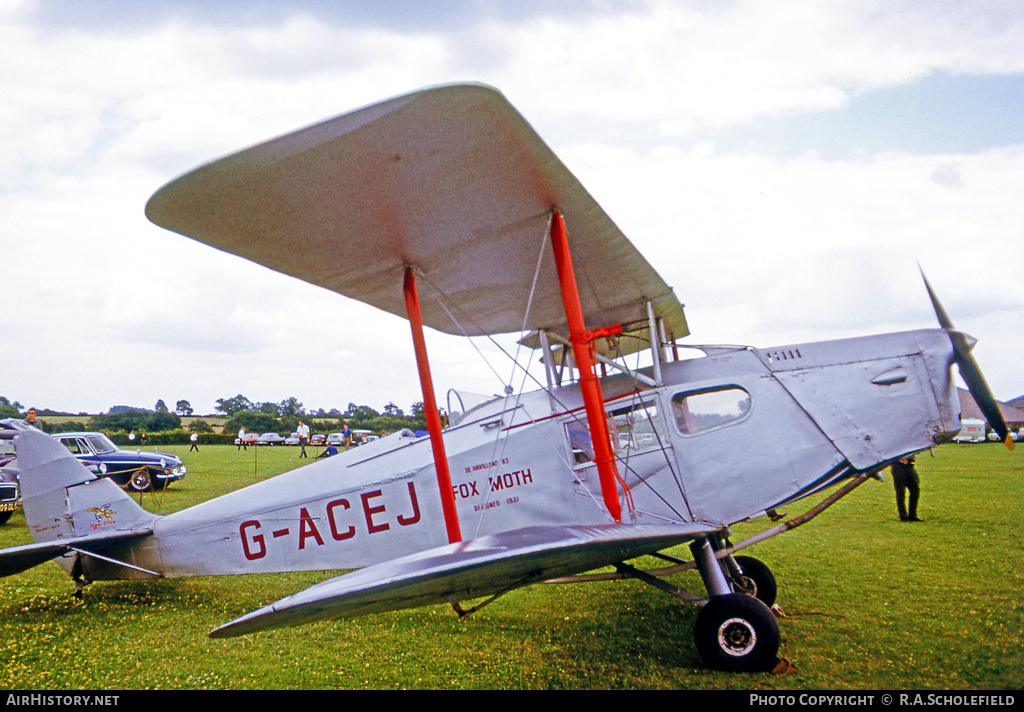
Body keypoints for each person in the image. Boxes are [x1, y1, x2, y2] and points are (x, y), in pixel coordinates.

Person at [891, 454, 922, 522]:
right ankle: (903, 516)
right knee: (901, 492)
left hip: (909, 466)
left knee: (915, 489)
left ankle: (912, 515)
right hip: (898, 466)